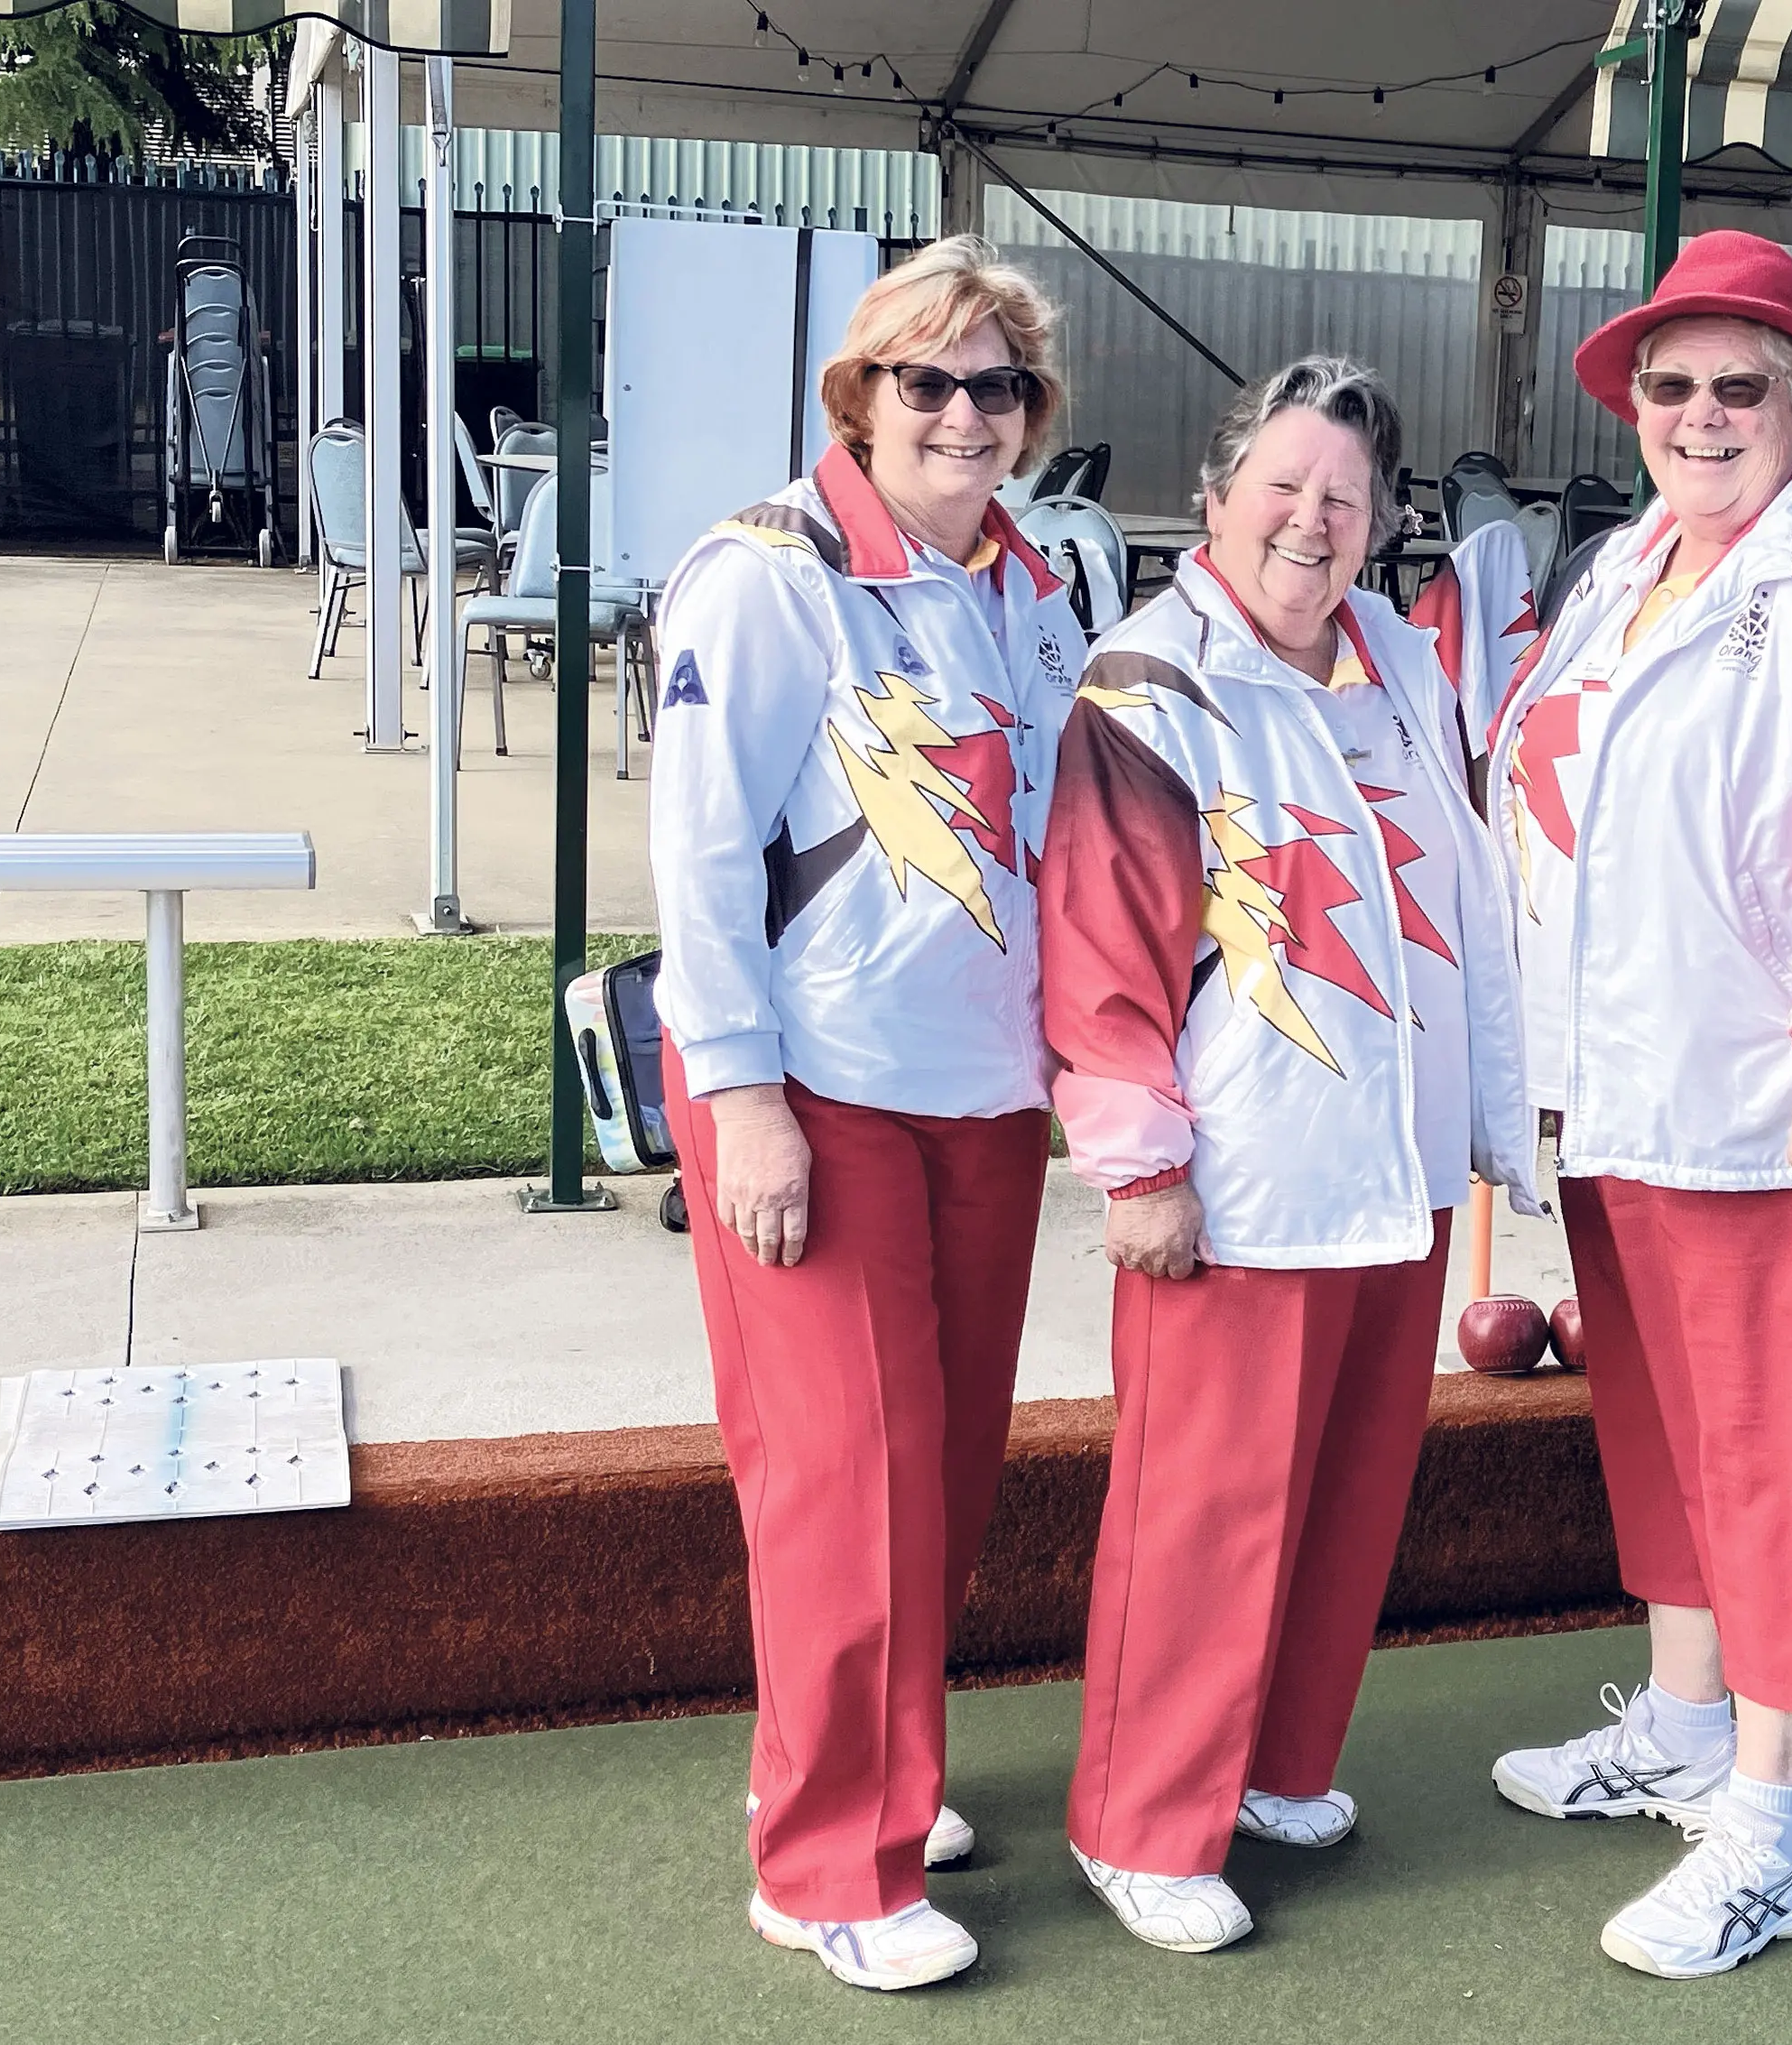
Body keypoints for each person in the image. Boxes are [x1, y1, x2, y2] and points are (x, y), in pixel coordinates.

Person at [1482, 231, 1792, 1979]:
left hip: (1770, 1106)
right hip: (1615, 1082)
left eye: (1737, 386)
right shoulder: (1627, 564)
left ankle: (1776, 1821)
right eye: (1668, 385)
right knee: (1660, 1428)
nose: (1698, 416)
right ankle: (1687, 1724)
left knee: (1767, 1455)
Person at [1039, 356, 1539, 1956]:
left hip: (1385, 1170)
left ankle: (1271, 1762)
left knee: (1341, 1495)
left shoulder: (1396, 658)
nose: (1313, 523)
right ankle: (1138, 1815)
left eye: (1346, 497)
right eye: (1285, 487)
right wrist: (1137, 1162)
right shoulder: (1152, 681)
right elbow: (1101, 956)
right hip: (1240, 1175)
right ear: (1215, 497)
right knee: (1204, 1511)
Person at [647, 236, 1085, 1992]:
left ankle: (885, 1769)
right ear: (861, 394)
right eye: (926, 381)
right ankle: (828, 1851)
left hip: (979, 1084)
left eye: (994, 386)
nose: (961, 415)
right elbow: (694, 860)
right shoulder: (765, 576)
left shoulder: (1038, 579)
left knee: (943, 1470)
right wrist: (739, 1100)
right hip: (809, 1085)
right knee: (848, 1476)